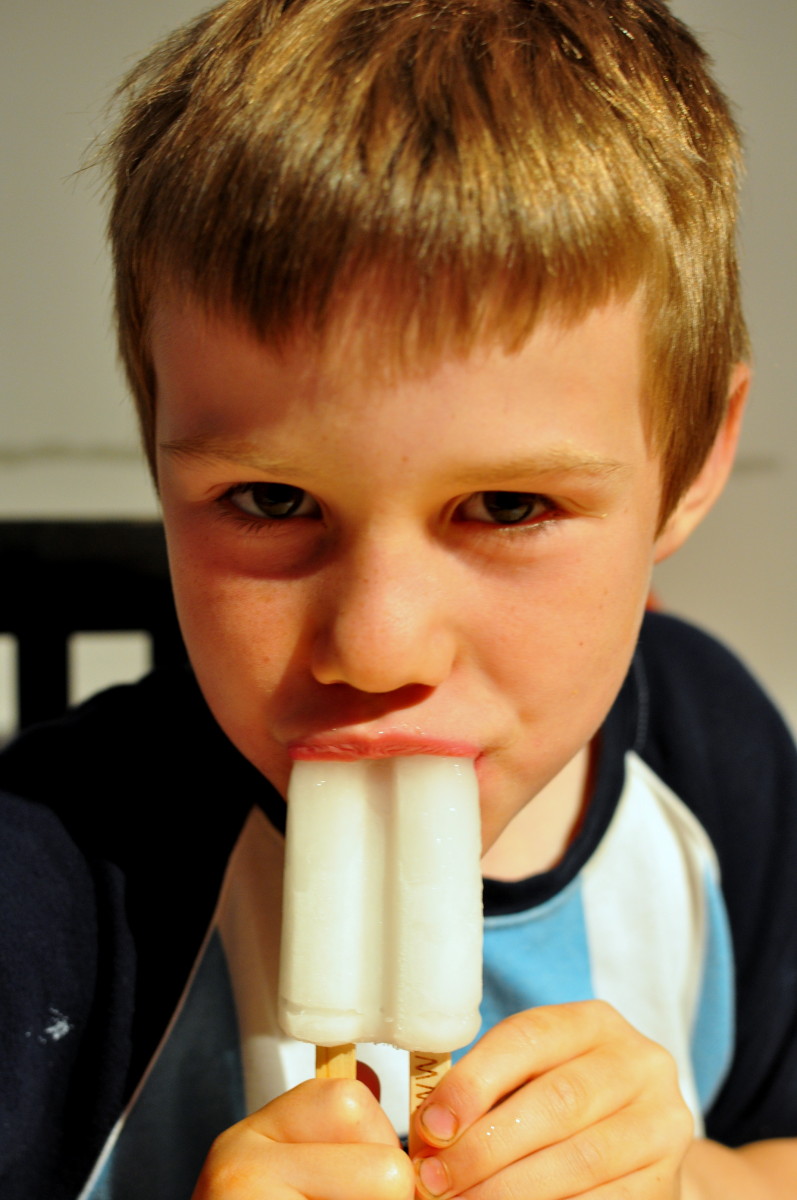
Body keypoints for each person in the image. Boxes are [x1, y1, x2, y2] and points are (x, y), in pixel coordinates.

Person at [1, 0, 796, 1196]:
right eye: (271, 501)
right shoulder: (42, 893)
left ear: (685, 471)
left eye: (507, 507)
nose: (374, 648)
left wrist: (693, 1180)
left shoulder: (713, 759)